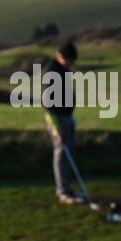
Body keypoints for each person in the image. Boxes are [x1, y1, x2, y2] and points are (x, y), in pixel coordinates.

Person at [42, 40, 84, 204]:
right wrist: (56, 128)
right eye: (70, 60)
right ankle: (62, 191)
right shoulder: (51, 73)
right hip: (57, 119)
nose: (72, 64)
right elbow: (48, 105)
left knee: (68, 154)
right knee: (61, 154)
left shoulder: (63, 70)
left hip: (67, 117)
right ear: (60, 56)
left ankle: (67, 188)